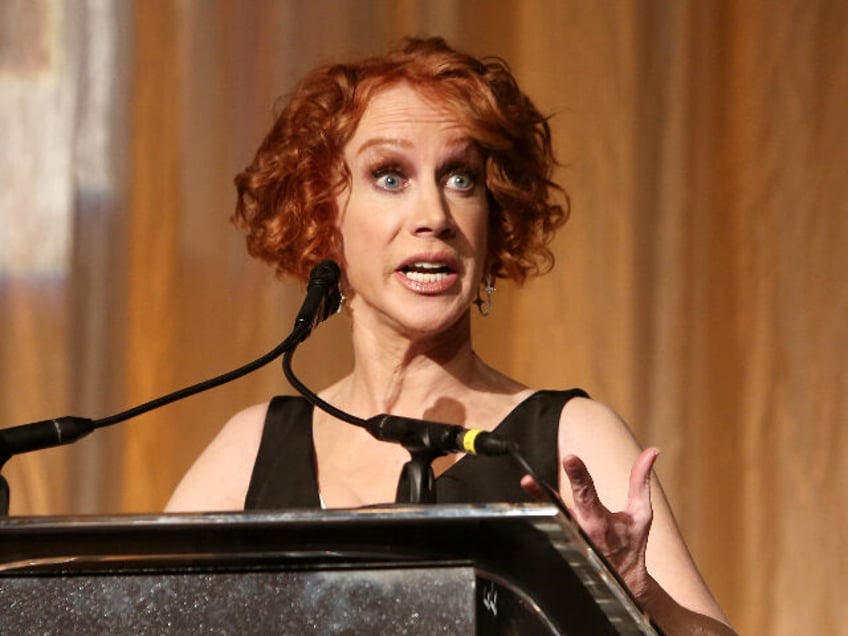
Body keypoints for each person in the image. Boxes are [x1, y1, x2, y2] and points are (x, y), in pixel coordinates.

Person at [166, 37, 736, 634]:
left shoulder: (570, 439)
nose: (435, 215)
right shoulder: (251, 448)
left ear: (494, 220)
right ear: (322, 215)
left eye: (460, 178)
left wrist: (641, 597)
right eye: (390, 176)